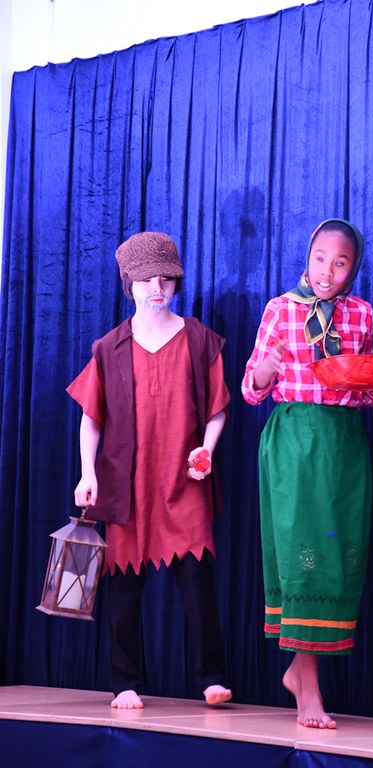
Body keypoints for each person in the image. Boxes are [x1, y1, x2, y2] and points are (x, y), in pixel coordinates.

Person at [242, 218, 373, 729]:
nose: (328, 271)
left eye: (341, 262)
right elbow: (251, 389)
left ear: (354, 268)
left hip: (343, 442)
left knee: (336, 554)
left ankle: (299, 672)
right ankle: (308, 688)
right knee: (302, 555)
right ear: (307, 258)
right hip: (294, 442)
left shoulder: (361, 314)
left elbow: (364, 390)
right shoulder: (280, 309)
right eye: (320, 259)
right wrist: (268, 367)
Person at [67, 231, 232, 710]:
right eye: (145, 280)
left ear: (176, 282)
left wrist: (206, 449)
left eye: (165, 278)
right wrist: (87, 473)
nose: (156, 288)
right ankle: (125, 681)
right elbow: (91, 417)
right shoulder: (109, 348)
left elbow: (219, 407)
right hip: (129, 484)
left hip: (185, 481)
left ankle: (212, 677)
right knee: (123, 589)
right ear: (129, 284)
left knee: (198, 585)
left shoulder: (199, 340)